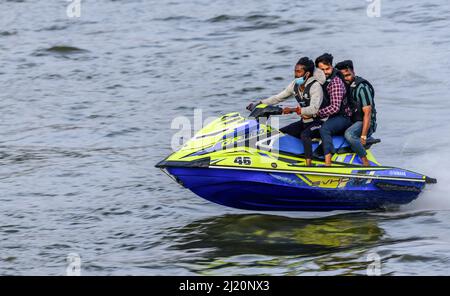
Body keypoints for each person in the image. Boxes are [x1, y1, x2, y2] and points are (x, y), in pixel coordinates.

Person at [246, 57, 326, 166]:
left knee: (304, 135)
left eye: (298, 72)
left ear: (307, 74)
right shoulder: (295, 85)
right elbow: (278, 98)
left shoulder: (315, 87)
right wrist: (259, 103)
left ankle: (309, 165)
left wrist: (294, 109)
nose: (295, 74)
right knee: (280, 133)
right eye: (295, 71)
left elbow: (314, 109)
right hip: (304, 122)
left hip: (319, 123)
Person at [336, 60, 377, 166]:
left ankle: (365, 161)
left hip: (365, 123)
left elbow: (367, 114)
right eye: (343, 76)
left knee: (349, 134)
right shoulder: (343, 86)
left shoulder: (362, 88)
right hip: (353, 120)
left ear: (353, 72)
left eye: (348, 75)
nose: (346, 78)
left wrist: (363, 135)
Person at [315, 53, 352, 166]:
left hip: (343, 117)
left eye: (327, 69)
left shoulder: (335, 82)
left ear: (331, 67)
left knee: (325, 129)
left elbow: (335, 107)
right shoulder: (319, 81)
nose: (325, 72)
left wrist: (317, 113)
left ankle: (328, 163)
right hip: (332, 117)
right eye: (322, 70)